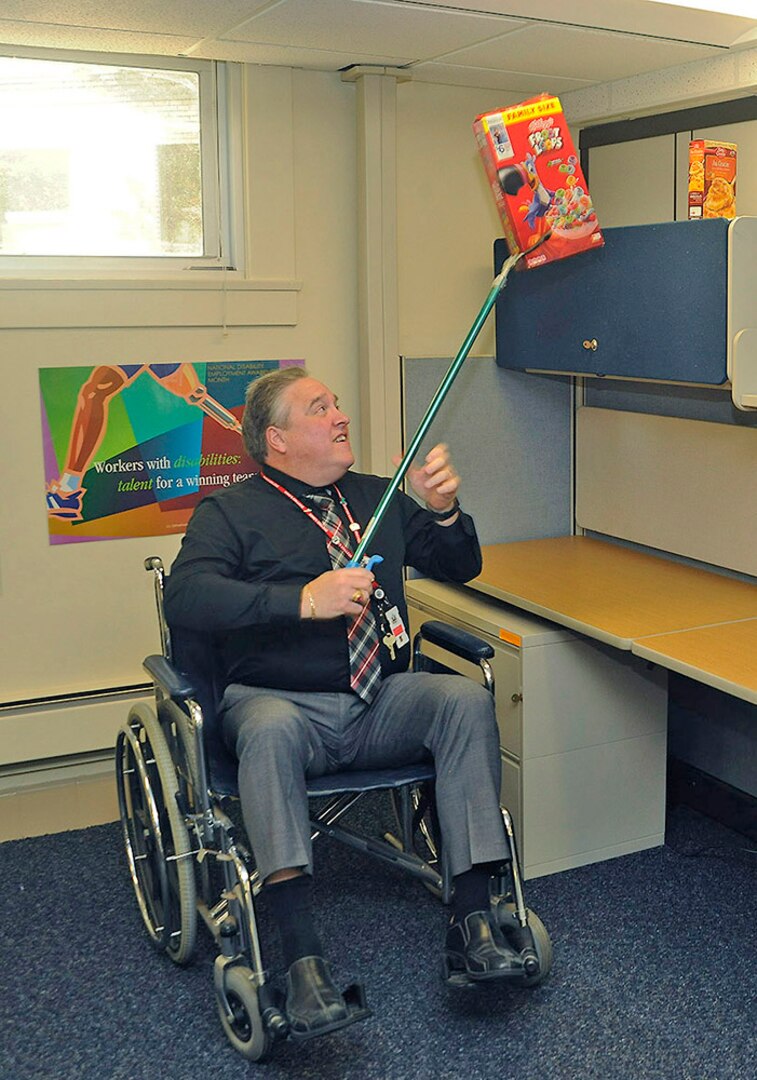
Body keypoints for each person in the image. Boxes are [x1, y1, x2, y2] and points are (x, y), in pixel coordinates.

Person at [164, 366, 512, 1039]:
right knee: (265, 728)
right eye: (319, 407)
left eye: (337, 402)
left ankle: (471, 923)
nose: (339, 414)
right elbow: (186, 597)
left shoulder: (375, 498)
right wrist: (299, 600)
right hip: (279, 704)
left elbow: (458, 563)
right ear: (277, 439)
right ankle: (300, 962)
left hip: (378, 698)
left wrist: (441, 510)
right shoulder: (230, 512)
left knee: (462, 701)